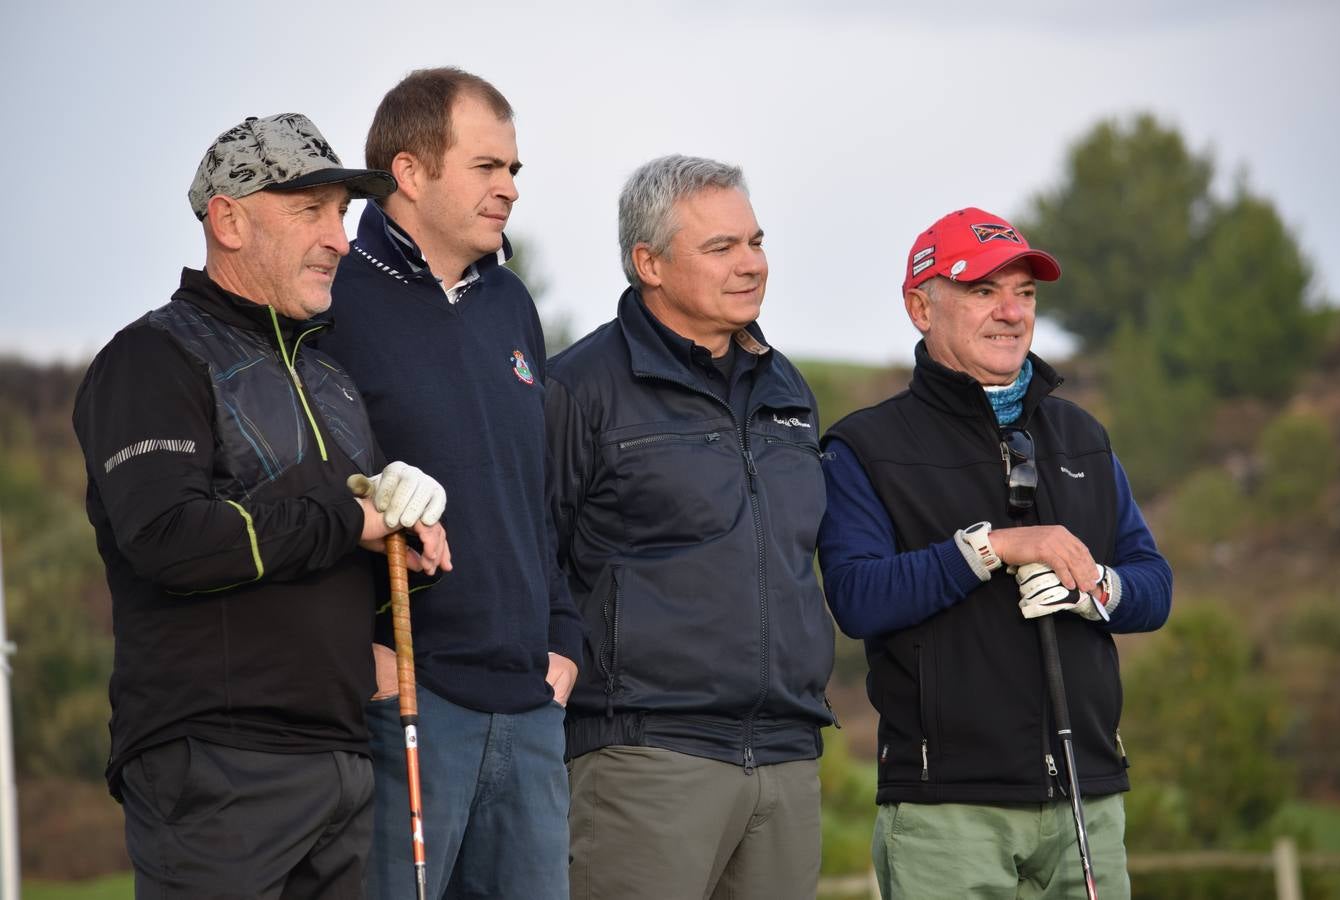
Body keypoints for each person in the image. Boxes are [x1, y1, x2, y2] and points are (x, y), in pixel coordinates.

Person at [72, 112, 452, 898]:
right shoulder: (152, 357)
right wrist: (350, 520)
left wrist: (406, 554)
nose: (340, 239)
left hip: (344, 761)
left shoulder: (335, 382)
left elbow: (332, 554)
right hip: (215, 761)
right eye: (310, 210)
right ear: (229, 219)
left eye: (342, 214)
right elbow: (170, 540)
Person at [818, 207, 1173, 899]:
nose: (1011, 312)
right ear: (921, 306)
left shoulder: (1082, 437)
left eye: (1026, 292)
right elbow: (857, 598)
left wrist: (1098, 589)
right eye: (983, 291)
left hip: (1087, 799)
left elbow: (1154, 586)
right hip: (948, 809)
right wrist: (992, 549)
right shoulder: (863, 447)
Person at [317, 68, 582, 899]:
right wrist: (362, 653)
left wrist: (563, 638)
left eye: (514, 171)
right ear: (409, 171)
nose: (508, 189)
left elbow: (534, 492)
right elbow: (314, 487)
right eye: (486, 167)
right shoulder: (331, 298)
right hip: (406, 696)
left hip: (530, 704)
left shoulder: (510, 303)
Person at [546, 154, 837, 900]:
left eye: (755, 242)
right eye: (721, 248)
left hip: (786, 756)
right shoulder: (579, 388)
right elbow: (534, 550)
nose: (751, 265)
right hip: (645, 757)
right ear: (648, 262)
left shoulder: (788, 388)